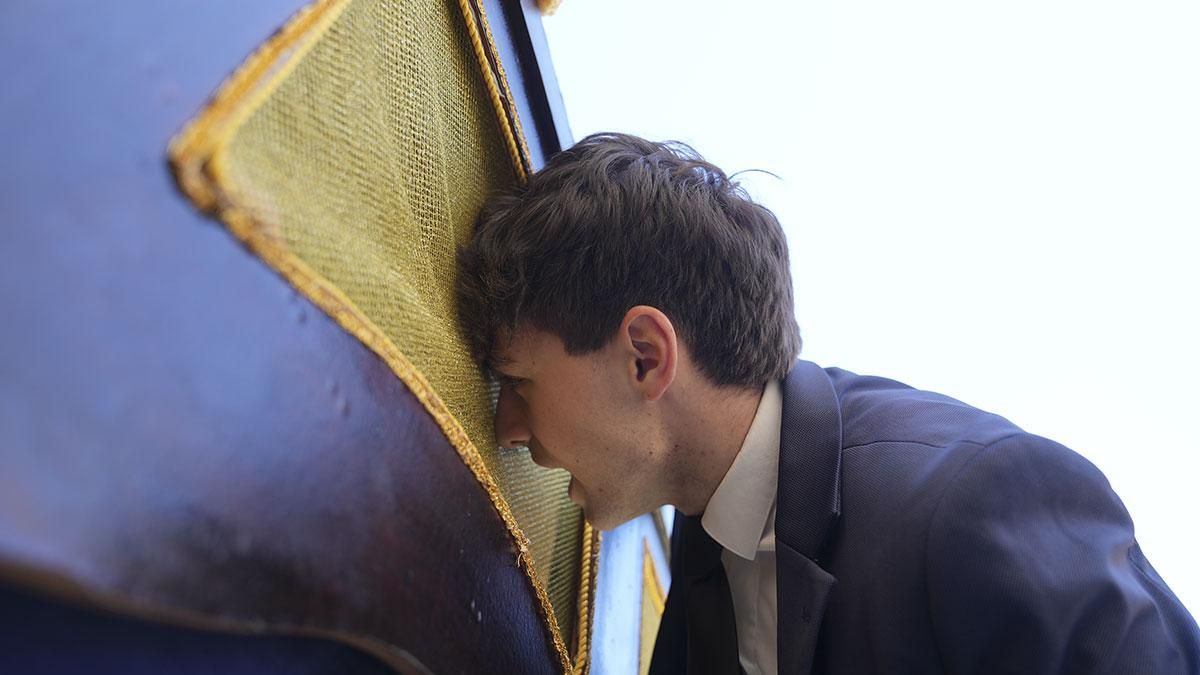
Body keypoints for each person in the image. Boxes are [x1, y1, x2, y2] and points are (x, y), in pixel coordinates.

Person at [455, 132, 1200, 674]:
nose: (507, 428)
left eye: (519, 381)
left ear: (646, 356)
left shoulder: (972, 500)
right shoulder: (704, 540)